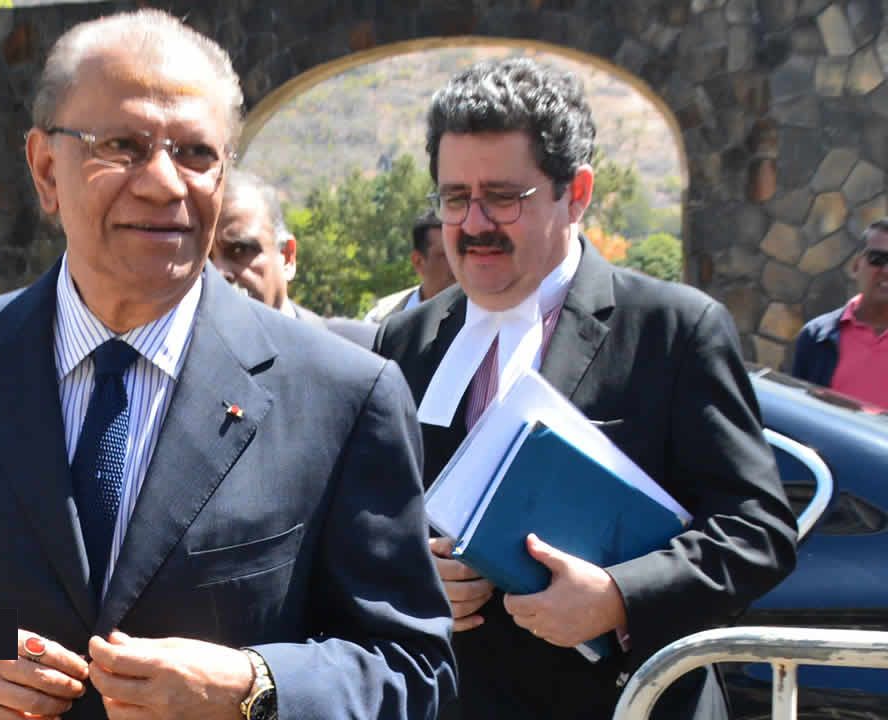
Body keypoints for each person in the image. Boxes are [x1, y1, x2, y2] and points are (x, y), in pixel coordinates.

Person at [0, 9, 454, 720]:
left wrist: (254, 686)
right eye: (123, 146)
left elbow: (413, 667)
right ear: (46, 169)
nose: (164, 183)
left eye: (196, 152)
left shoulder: (342, 395)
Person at [373, 57, 797, 720]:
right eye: (455, 198)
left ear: (576, 193)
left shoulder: (673, 329)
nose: (474, 224)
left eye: (503, 197)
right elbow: (371, 525)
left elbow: (758, 532)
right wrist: (412, 575)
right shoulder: (406, 339)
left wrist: (618, 595)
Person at [212, 169, 377, 346]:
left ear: (287, 257)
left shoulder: (365, 349)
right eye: (205, 259)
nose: (218, 272)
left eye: (240, 250)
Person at [791, 219, 888, 408]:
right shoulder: (816, 337)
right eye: (877, 259)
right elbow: (796, 411)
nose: (886, 270)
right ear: (856, 266)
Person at [364, 210, 454, 323]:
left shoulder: (474, 320)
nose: (456, 264)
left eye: (461, 253)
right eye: (446, 256)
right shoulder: (380, 319)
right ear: (418, 261)